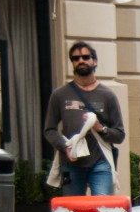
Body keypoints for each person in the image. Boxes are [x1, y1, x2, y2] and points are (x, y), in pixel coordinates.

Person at [43, 41, 126, 196]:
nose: (80, 61)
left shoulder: (107, 95)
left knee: (101, 208)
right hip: (72, 162)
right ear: (72, 63)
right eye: (76, 58)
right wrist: (65, 147)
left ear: (94, 61)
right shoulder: (60, 94)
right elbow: (49, 130)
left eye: (85, 57)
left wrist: (100, 128)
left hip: (100, 162)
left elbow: (120, 134)